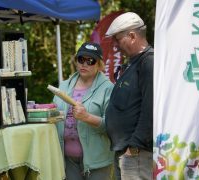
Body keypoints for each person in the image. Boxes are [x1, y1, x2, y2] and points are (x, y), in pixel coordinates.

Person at [53, 42, 114, 180]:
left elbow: (113, 126)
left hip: (97, 161)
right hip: (67, 159)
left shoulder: (108, 88)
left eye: (90, 60)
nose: (84, 64)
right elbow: (54, 116)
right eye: (81, 59)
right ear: (76, 61)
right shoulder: (63, 85)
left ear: (99, 65)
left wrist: (86, 117)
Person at [105, 12, 154, 180]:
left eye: (117, 39)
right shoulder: (134, 63)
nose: (115, 45)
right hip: (126, 151)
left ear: (132, 36)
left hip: (137, 153)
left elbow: (150, 108)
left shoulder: (148, 62)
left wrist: (134, 147)